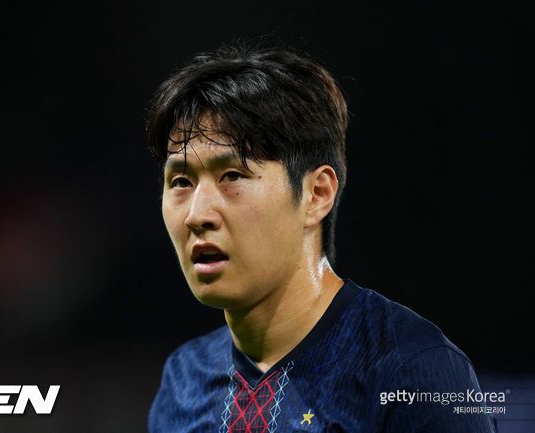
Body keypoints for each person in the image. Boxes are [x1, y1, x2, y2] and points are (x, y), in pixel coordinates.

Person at [145, 44, 496, 433]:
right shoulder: (183, 381)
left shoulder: (414, 370)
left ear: (316, 194)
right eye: (181, 181)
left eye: (232, 176)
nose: (197, 215)